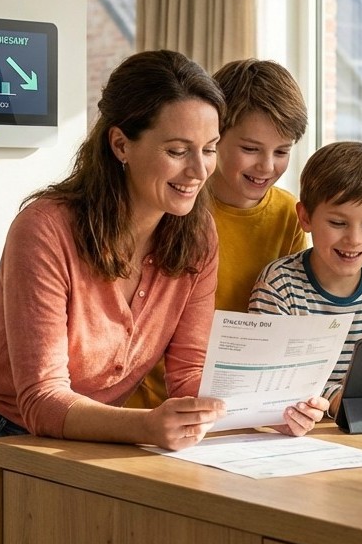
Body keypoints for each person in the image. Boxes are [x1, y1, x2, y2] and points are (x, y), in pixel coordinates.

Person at [0, 50, 328, 544]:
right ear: (120, 144)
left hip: (76, 453)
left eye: (210, 149)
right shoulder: (46, 228)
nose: (199, 171)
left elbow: (189, 372)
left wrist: (271, 408)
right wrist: (148, 426)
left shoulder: (196, 237)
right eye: (177, 151)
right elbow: (41, 398)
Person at [125, 59, 309, 408]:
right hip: (151, 403)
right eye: (250, 149)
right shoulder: (173, 204)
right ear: (214, 137)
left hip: (232, 403)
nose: (267, 167)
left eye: (282, 151)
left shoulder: (289, 214)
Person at [249, 141, 362, 415]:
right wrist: (336, 400)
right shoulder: (279, 285)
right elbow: (271, 378)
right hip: (300, 431)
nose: (354, 240)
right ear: (305, 217)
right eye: (338, 223)